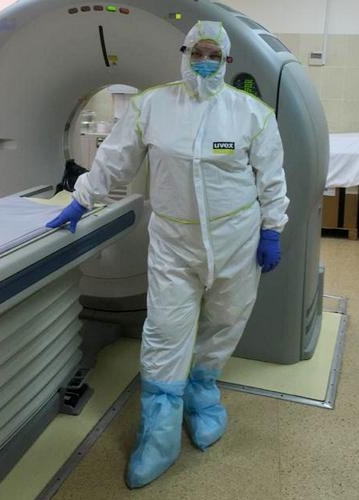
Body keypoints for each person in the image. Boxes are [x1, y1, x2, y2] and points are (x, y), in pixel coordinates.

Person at [46, 20, 289, 489]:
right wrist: (81, 200)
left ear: (226, 60)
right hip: (174, 245)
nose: (205, 62)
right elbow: (115, 160)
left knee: (225, 322)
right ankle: (158, 435)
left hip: (237, 241)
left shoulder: (250, 114)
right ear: (184, 54)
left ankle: (203, 397)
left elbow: (272, 180)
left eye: (214, 55)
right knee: (164, 332)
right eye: (198, 52)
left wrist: (272, 229)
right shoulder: (152, 106)